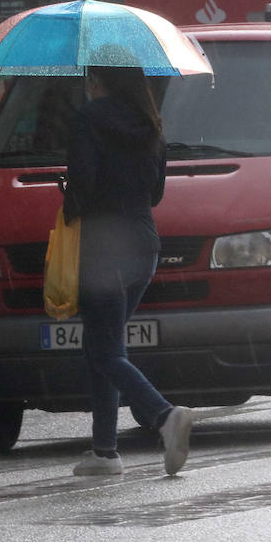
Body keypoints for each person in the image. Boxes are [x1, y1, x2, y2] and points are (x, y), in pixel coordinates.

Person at [63, 64, 193, 477]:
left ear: (100, 81)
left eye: (90, 77)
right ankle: (104, 451)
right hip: (143, 245)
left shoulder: (87, 118)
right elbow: (155, 193)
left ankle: (164, 415)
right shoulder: (151, 125)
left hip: (102, 247)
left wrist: (70, 197)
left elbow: (84, 181)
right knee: (103, 348)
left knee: (104, 351)